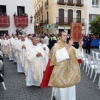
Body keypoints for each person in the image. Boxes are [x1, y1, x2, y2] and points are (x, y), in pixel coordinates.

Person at [46, 31, 83, 100]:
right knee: (62, 92)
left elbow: (78, 55)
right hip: (61, 74)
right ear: (59, 37)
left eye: (66, 35)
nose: (66, 37)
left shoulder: (71, 46)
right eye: (64, 35)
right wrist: (68, 45)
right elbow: (58, 57)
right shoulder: (56, 46)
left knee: (70, 90)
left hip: (71, 73)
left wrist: (80, 45)